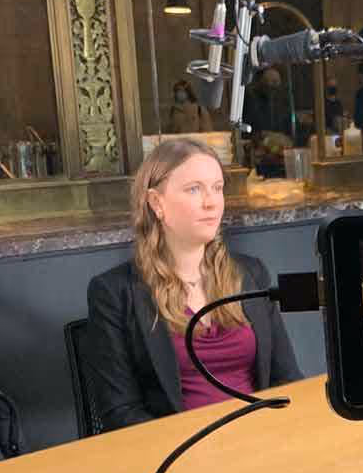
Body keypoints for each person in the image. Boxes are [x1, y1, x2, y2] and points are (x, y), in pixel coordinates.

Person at [85, 137, 302, 431]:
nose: (211, 202)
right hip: (177, 449)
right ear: (156, 203)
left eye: (217, 188)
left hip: (259, 438)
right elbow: (120, 413)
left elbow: (287, 379)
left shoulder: (251, 274)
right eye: (194, 189)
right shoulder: (113, 292)